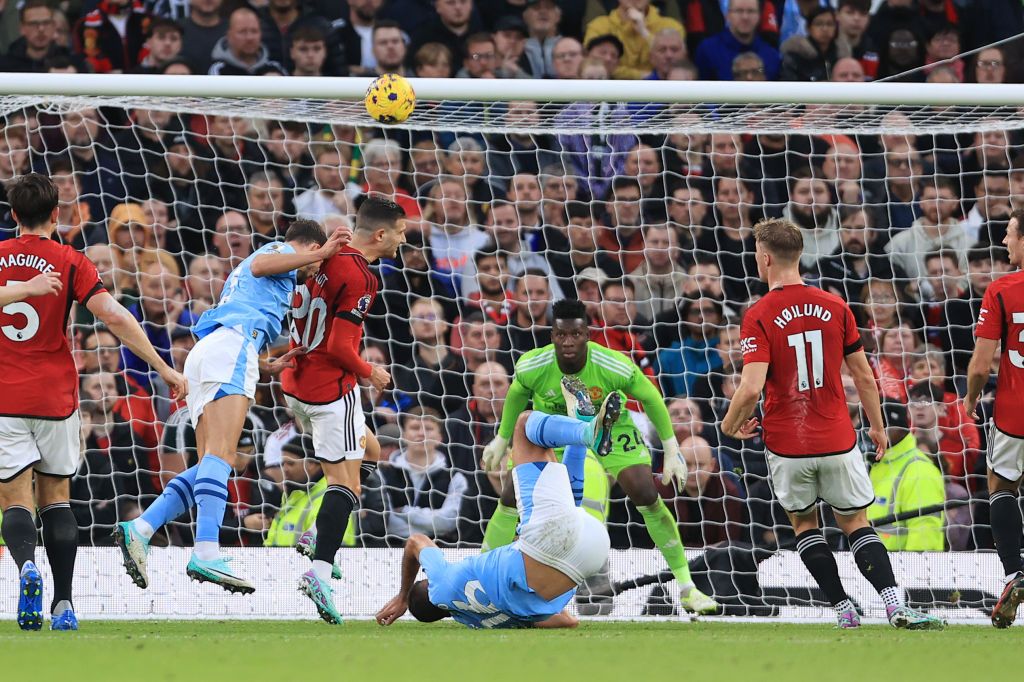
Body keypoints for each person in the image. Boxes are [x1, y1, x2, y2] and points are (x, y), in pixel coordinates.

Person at [721, 217, 943, 630]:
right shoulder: (836, 306)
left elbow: (750, 387)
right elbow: (863, 375)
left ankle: (843, 608)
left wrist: (729, 425)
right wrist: (876, 426)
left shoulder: (758, 314)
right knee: (856, 523)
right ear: (799, 256)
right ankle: (895, 604)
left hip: (788, 441)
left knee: (805, 525)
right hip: (837, 437)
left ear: (765, 258)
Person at [113, 219, 350, 595]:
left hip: (215, 350)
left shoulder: (275, 274)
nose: (315, 270)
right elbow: (260, 265)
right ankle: (206, 551)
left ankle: (141, 528)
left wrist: (264, 363)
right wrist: (320, 253)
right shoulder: (279, 251)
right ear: (306, 246)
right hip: (229, 351)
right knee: (222, 456)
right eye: (315, 261)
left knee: (209, 460)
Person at [0, 173, 186, 632]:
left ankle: (26, 566)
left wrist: (20, 289)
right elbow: (115, 316)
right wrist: (163, 367)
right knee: (57, 500)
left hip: (5, 395)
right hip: (56, 396)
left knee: (15, 502)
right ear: (57, 215)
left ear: (13, 215)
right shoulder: (70, 261)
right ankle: (63, 604)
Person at [479, 299, 718, 614]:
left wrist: (672, 448)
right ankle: (481, 581)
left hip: (612, 427)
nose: (568, 342)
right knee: (510, 495)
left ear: (587, 335)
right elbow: (516, 394)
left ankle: (687, 587)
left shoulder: (612, 364)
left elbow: (649, 396)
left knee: (645, 493)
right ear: (552, 335)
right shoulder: (533, 365)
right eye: (561, 335)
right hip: (555, 431)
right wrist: (502, 438)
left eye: (575, 335)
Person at [375, 386, 616, 629]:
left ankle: (582, 424)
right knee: (525, 426)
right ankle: (586, 433)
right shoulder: (440, 585)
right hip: (542, 546)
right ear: (428, 584)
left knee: (562, 497)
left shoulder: (484, 622)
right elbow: (416, 541)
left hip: (590, 553)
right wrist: (403, 596)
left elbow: (568, 621)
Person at [281, 196, 406, 624]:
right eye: (402, 231)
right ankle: (318, 571)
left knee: (370, 451)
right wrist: (371, 372)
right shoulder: (360, 275)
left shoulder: (323, 256)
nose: (405, 239)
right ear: (381, 235)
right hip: (331, 389)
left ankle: (319, 534)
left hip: (296, 382)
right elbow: (338, 346)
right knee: (346, 485)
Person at [963, 208, 1024, 628]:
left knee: (1001, 484)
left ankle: (1013, 573)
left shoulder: (1002, 289)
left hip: (1015, 412)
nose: (1005, 242)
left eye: (1009, 234)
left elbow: (982, 364)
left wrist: (970, 398)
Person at [868, 400, 946, 551]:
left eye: (881, 428)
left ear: (900, 429)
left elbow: (926, 532)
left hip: (902, 570)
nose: (872, 433)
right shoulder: (879, 464)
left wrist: (913, 573)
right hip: (875, 565)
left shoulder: (919, 470)